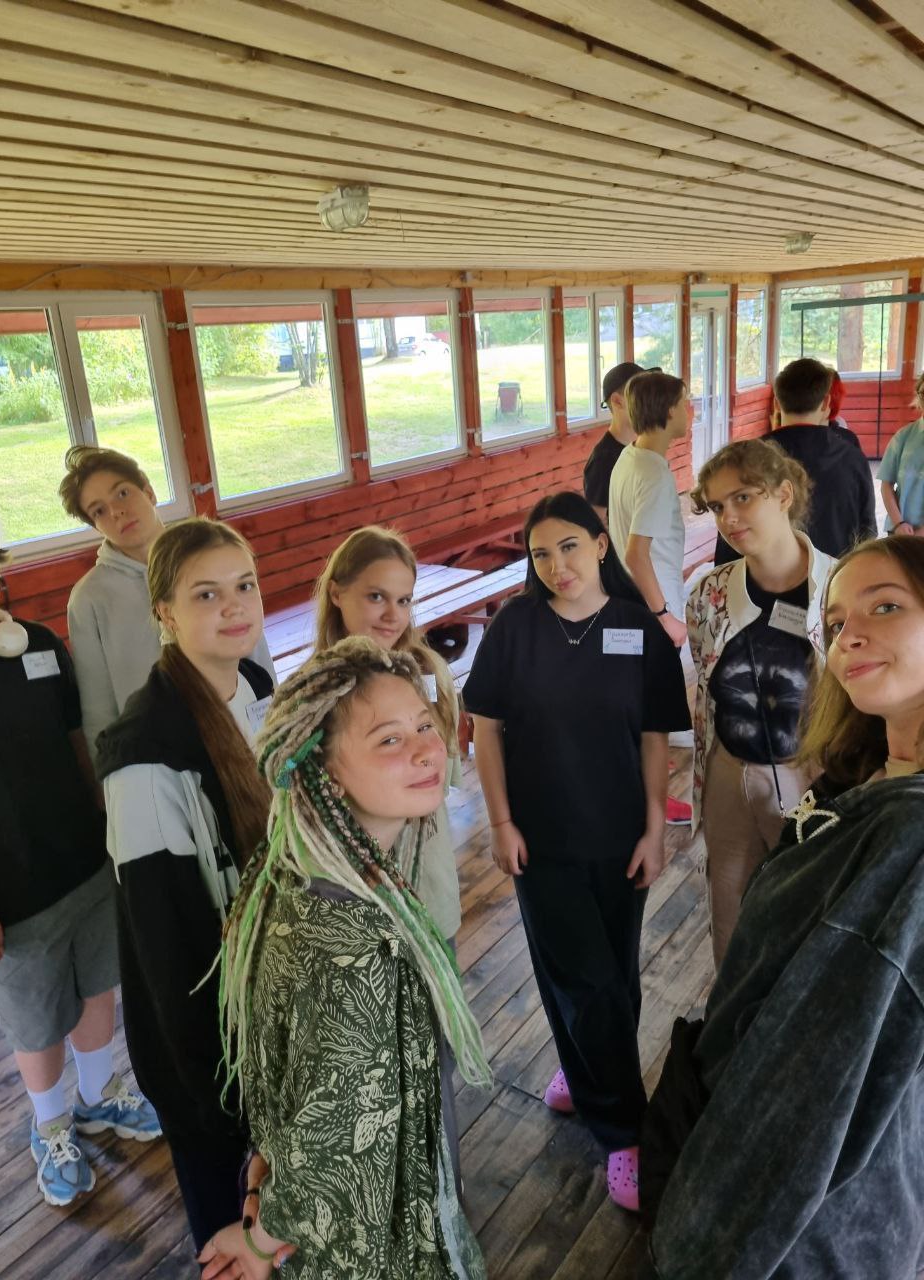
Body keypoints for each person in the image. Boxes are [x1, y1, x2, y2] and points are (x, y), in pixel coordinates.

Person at [639, 535, 924, 1279]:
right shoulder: (861, 776)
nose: (849, 634)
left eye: (885, 607)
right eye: (835, 622)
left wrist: (715, 1234)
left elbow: (819, 1087)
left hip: (802, 1221)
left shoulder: (909, 839)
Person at [197, 637, 489, 1280]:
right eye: (388, 740)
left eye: (423, 725)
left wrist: (264, 1180)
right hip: (375, 1248)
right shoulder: (357, 947)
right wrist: (260, 1240)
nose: (426, 749)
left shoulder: (288, 874)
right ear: (326, 773)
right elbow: (334, 1150)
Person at [462, 492, 691, 1212]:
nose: (556, 565)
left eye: (568, 546)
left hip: (619, 832)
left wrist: (654, 829)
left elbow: (654, 737)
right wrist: (500, 821)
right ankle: (624, 1131)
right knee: (583, 976)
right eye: (540, 554)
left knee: (614, 974)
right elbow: (485, 730)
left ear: (599, 544)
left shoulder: (636, 627)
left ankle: (582, 1063)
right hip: (543, 837)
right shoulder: (516, 628)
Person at [0, 516, 159, 1208]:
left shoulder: (39, 645)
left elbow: (78, 742)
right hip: (5, 895)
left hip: (82, 862)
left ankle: (100, 1092)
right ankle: (49, 1126)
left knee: (97, 987)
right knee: (35, 1020)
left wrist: (110, 829)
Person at [97, 518, 274, 1252]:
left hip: (267, 993)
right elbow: (165, 942)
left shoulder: (255, 685)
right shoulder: (142, 752)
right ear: (164, 613)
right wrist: (214, 1088)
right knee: (230, 1226)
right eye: (206, 594)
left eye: (244, 586)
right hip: (203, 1038)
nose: (234, 606)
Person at [686, 440, 834, 966]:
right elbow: (705, 680)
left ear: (783, 494)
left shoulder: (839, 587)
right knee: (730, 913)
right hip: (730, 769)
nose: (728, 517)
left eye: (743, 497)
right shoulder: (708, 594)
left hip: (815, 773)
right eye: (717, 505)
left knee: (813, 910)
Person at [60, 444, 276, 757]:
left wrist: (276, 726)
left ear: (148, 492)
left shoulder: (206, 557)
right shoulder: (89, 599)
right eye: (99, 511)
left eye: (122, 493)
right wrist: (107, 773)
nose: (117, 511)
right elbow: (98, 706)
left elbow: (254, 650)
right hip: (157, 750)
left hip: (239, 728)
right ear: (95, 526)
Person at [310, 525, 463, 944]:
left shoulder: (428, 671)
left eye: (404, 600)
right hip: (355, 893)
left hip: (427, 882)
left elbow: (443, 775)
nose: (393, 615)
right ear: (337, 593)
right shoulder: (318, 690)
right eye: (376, 597)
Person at [714, 358, 877, 566]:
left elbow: (730, 529)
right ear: (826, 403)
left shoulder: (745, 459)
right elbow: (867, 532)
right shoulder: (853, 458)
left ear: (776, 403)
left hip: (763, 579)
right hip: (834, 578)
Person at [607, 370, 691, 650]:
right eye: (683, 404)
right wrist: (665, 616)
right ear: (670, 411)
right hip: (654, 608)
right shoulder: (654, 474)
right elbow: (636, 554)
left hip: (632, 599)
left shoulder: (629, 454)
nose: (687, 411)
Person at [583, 361, 648, 527]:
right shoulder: (603, 460)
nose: (648, 401)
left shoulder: (640, 445)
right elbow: (596, 524)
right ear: (617, 401)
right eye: (640, 395)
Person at [879, 370, 924, 536]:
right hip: (901, 532)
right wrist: (899, 523)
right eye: (923, 394)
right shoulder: (903, 436)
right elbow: (886, 484)